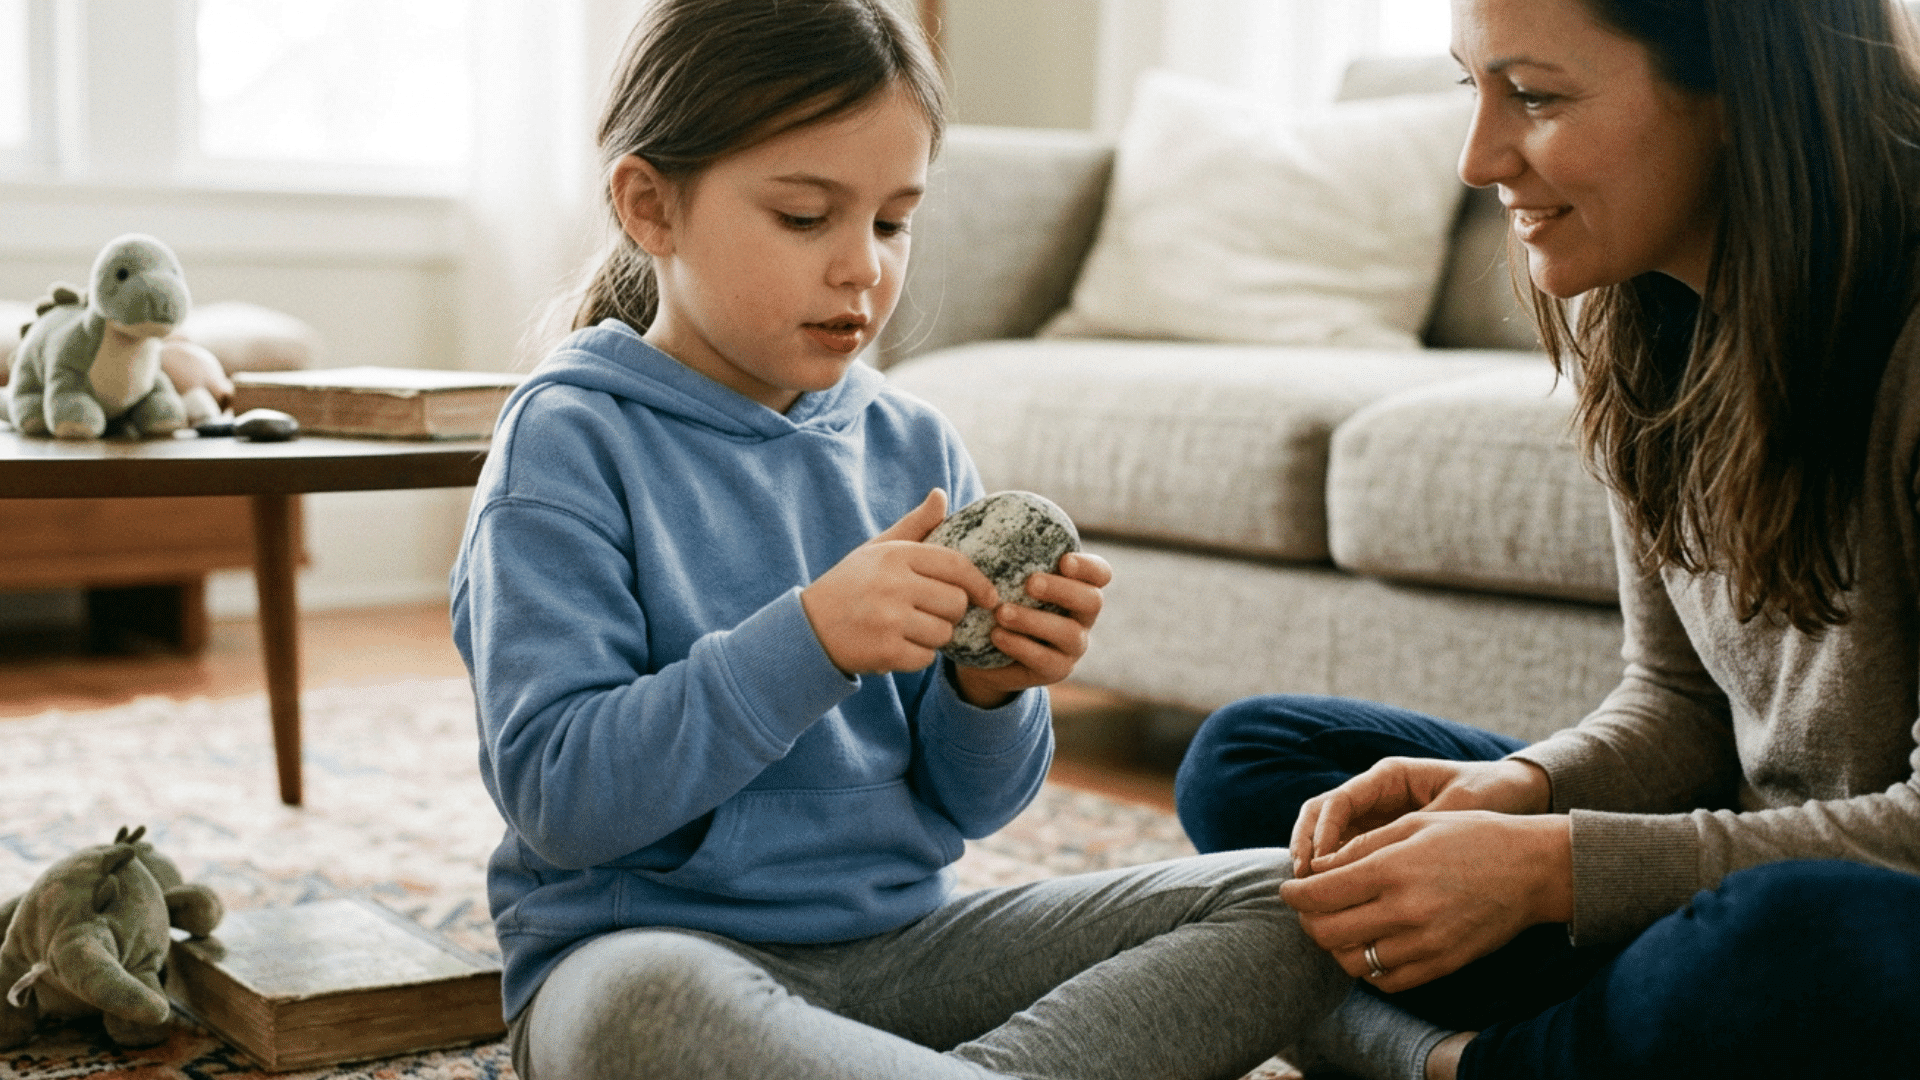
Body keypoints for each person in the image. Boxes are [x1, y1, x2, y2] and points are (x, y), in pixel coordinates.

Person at [449, 2, 1349, 1078]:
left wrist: (993, 692)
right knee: (636, 1015)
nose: (862, 269)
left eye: (890, 221)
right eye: (803, 217)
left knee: (1311, 901)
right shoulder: (569, 440)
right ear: (651, 207)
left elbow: (976, 805)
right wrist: (811, 641)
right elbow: (563, 799)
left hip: (908, 961)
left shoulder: (913, 441)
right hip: (654, 959)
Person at [1174, 1, 1920, 1078]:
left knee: (1788, 942)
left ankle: (1452, 1063)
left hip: (1856, 914)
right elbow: (1678, 703)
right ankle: (1589, 1041)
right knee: (1256, 759)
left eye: (1534, 96)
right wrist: (1523, 791)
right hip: (1731, 882)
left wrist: (1551, 871)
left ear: (1746, 95)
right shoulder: (1652, 321)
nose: (1478, 159)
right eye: (1468, 89)